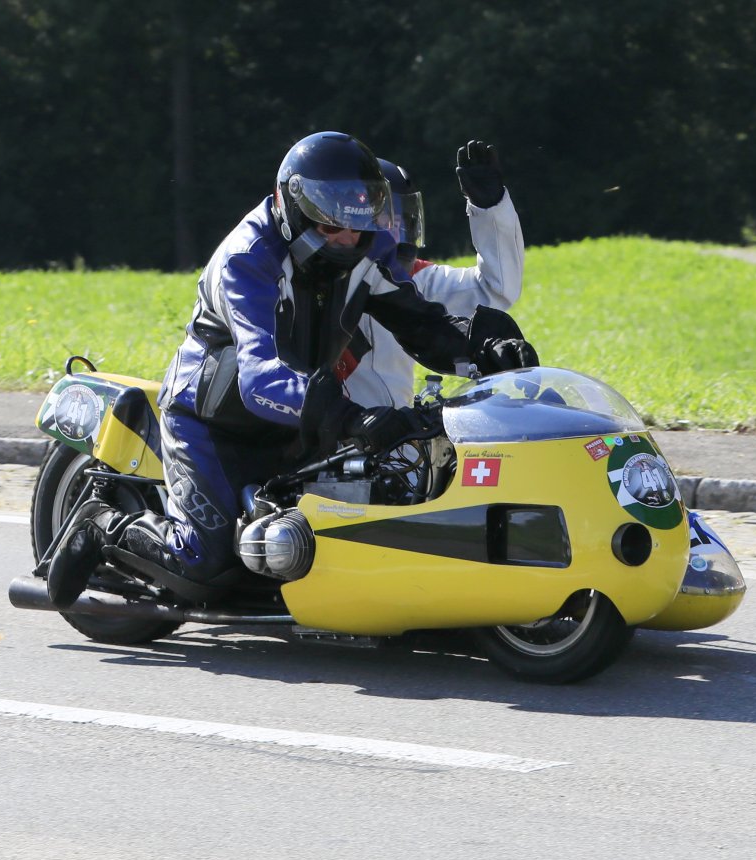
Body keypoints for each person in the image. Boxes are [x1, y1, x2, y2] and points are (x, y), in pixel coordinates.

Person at [45, 131, 537, 604]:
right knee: (206, 565)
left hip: (300, 421)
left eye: (358, 220)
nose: (347, 237)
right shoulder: (247, 260)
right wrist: (352, 418)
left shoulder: (367, 249)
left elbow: (421, 324)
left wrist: (484, 349)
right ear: (293, 207)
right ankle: (101, 525)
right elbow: (259, 377)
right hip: (213, 422)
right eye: (332, 222)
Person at [338, 141, 525, 409]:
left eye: (399, 223)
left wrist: (490, 210)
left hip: (398, 431)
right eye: (383, 223)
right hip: (325, 430)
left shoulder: (416, 278)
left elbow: (497, 288)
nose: (393, 235)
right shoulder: (314, 283)